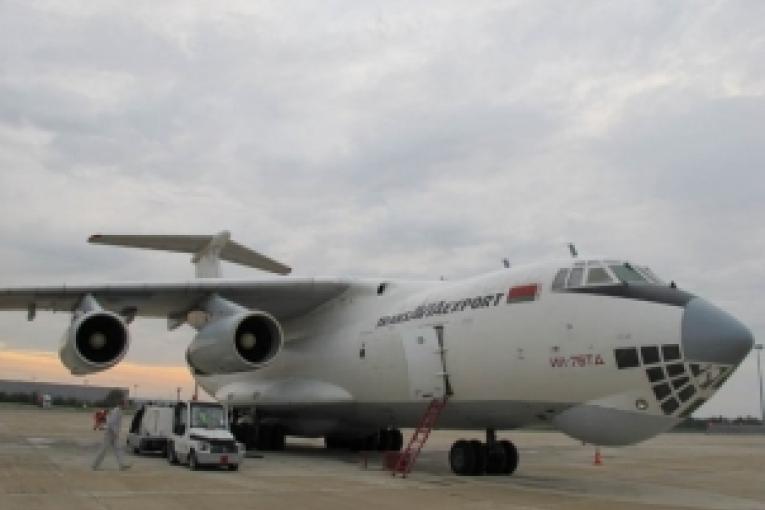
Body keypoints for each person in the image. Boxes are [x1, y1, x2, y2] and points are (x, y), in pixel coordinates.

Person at [91, 402, 131, 470]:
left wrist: (116, 433)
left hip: (113, 433)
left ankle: (122, 465)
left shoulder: (119, 411)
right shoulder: (116, 411)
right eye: (125, 404)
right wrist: (115, 433)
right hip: (110, 433)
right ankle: (95, 465)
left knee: (118, 449)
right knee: (104, 449)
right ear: (121, 405)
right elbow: (111, 423)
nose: (127, 406)